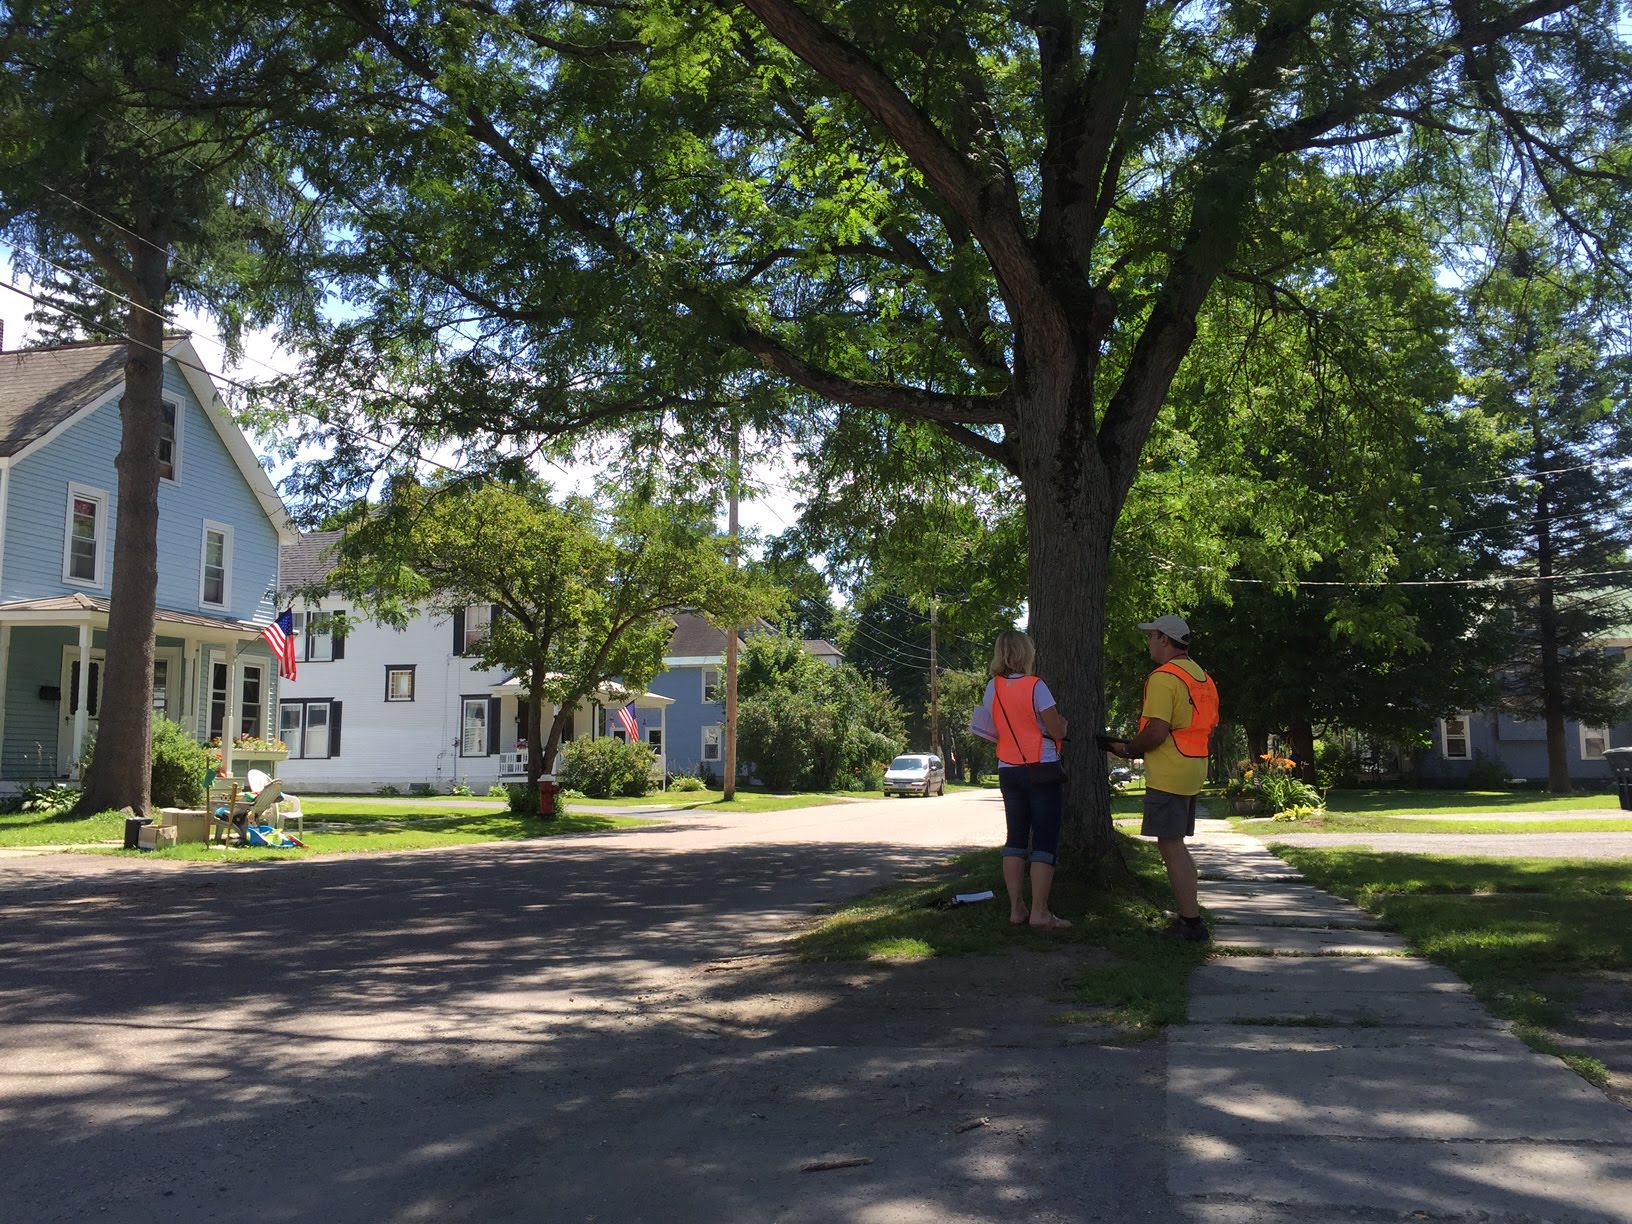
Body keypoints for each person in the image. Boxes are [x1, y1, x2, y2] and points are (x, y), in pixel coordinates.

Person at [1109, 614, 1219, 942]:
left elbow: (1156, 731)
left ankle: (1191, 922)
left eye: (1152, 637)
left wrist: (1129, 749)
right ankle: (1190, 915)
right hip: (1194, 766)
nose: (1149, 643)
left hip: (1170, 771)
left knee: (1170, 846)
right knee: (1176, 845)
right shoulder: (1202, 677)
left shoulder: (1163, 677)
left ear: (1166, 641)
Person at [970, 629, 1072, 931]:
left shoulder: (993, 688)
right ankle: (1040, 912)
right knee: (1044, 838)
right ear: (1026, 654)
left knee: (1015, 837)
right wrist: (1062, 727)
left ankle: (1017, 908)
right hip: (1041, 766)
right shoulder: (1036, 686)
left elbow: (995, 727)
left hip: (1008, 767)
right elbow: (1057, 729)